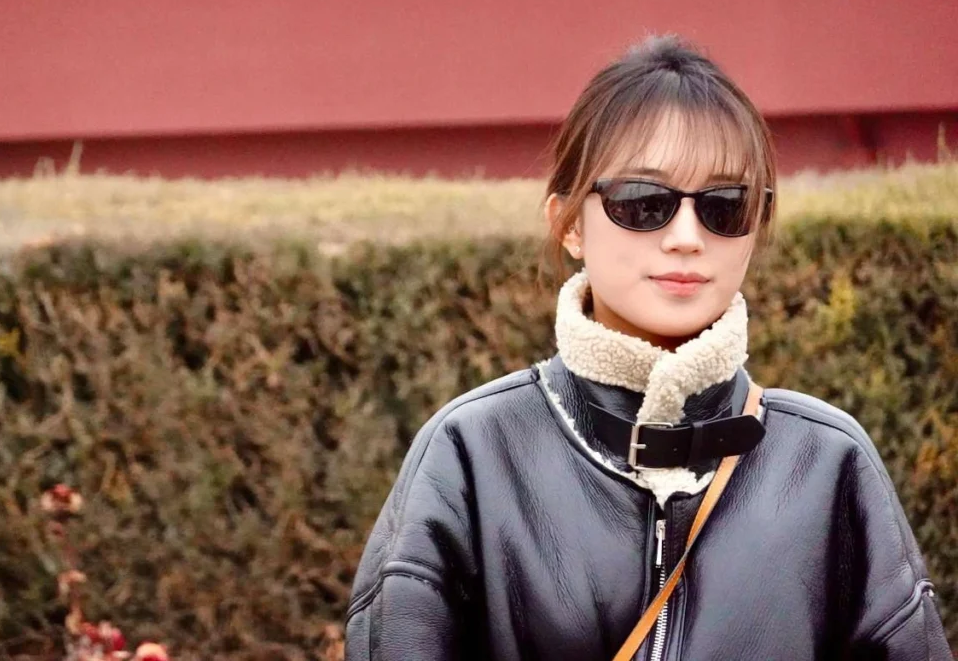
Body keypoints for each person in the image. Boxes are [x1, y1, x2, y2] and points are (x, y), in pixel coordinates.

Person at [344, 35, 951, 660]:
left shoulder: (827, 464)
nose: (687, 237)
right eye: (644, 202)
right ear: (570, 223)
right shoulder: (472, 453)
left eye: (726, 205)